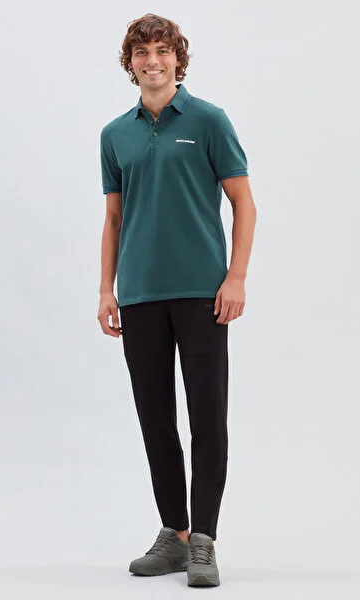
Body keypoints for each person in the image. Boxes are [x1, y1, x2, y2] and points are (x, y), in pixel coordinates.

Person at [98, 13, 256, 587]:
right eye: (141, 52)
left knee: (207, 415)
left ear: (177, 59)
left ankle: (204, 541)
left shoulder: (209, 120)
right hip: (140, 294)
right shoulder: (115, 134)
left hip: (201, 293)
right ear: (130, 63)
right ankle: (175, 534)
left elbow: (244, 202)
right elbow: (114, 219)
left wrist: (235, 277)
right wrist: (106, 289)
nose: (152, 61)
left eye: (162, 50)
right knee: (155, 418)